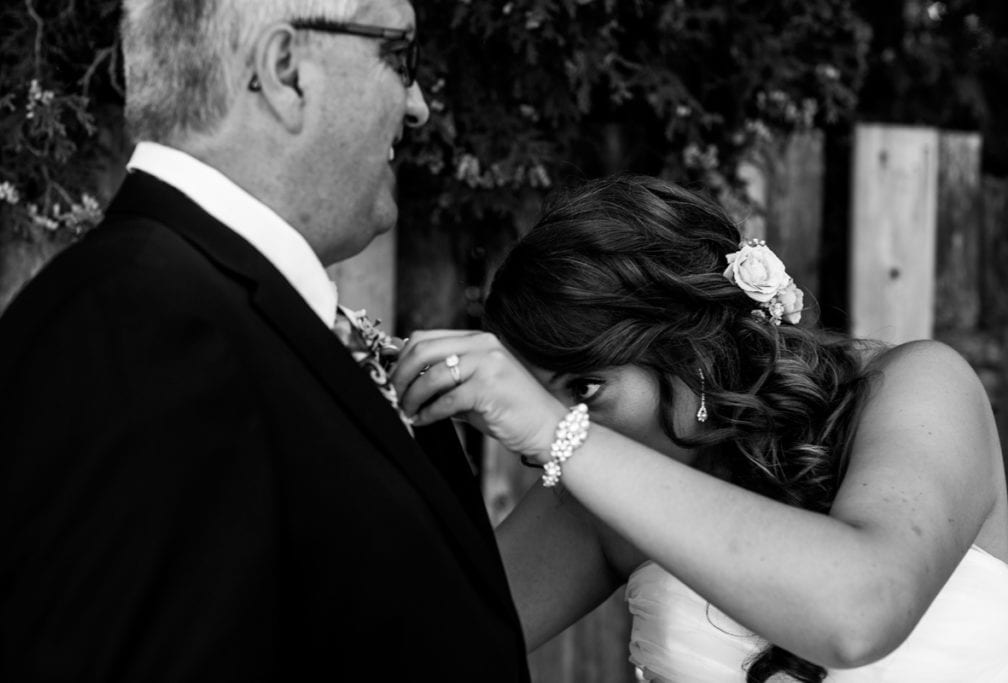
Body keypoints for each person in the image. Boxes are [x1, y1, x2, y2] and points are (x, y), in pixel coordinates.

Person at [0, 1, 530, 680]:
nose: (417, 105)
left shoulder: (196, 311)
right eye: (399, 55)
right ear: (285, 71)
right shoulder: (148, 336)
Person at [391, 174, 1008, 682]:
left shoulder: (922, 388)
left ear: (695, 352)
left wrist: (558, 432)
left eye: (584, 389)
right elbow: (412, 653)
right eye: (538, 396)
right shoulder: (592, 491)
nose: (548, 425)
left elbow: (860, 615)